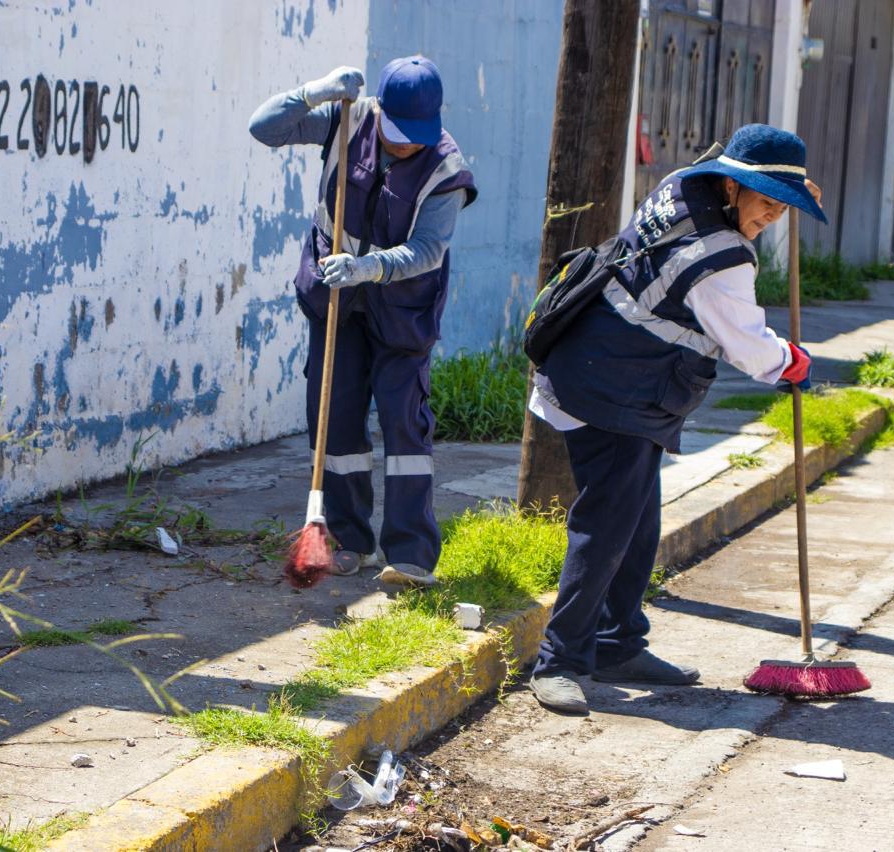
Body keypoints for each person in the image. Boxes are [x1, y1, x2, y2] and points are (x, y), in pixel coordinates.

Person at [528, 124, 824, 714]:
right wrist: (790, 361)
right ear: (734, 186)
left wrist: (787, 188)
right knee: (607, 525)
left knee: (639, 520)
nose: (770, 214)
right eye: (764, 198)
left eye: (782, 203)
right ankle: (559, 660)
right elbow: (747, 345)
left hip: (601, 367)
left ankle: (618, 642)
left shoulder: (685, 185)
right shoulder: (721, 259)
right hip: (609, 389)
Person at [249, 58, 477, 588]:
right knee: (337, 418)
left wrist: (369, 267)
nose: (405, 146)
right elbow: (265, 129)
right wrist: (312, 91)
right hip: (336, 302)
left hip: (402, 309)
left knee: (404, 421)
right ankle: (350, 538)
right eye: (397, 135)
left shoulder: (445, 169)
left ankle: (412, 553)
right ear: (381, 111)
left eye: (415, 137)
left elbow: (427, 249)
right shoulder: (348, 118)